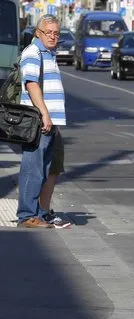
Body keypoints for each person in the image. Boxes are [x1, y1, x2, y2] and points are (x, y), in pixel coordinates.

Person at [16, 14, 70, 229]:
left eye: (56, 33)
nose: (53, 36)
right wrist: (45, 114)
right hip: (38, 121)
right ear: (38, 32)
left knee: (45, 169)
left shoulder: (49, 53)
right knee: (33, 168)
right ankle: (27, 215)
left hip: (49, 122)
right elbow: (31, 85)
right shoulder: (33, 52)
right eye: (48, 32)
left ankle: (37, 213)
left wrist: (53, 120)